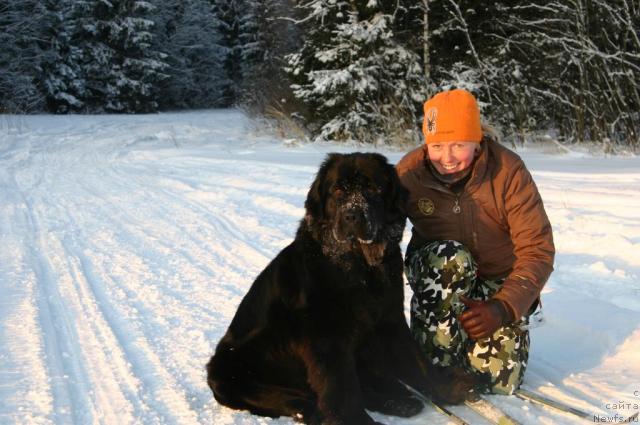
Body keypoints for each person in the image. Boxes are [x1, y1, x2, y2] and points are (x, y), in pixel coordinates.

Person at [396, 88, 555, 395]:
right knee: (450, 257)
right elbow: (379, 236)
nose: (447, 157)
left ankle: (471, 345)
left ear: (477, 140)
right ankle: (437, 347)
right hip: (439, 274)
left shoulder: (508, 171)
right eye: (438, 146)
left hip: (497, 281)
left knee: (497, 382)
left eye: (459, 145)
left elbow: (538, 248)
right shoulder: (409, 174)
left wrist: (503, 307)